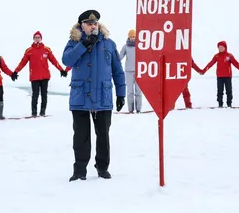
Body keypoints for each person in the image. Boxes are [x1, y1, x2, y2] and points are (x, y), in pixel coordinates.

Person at [62, 10, 126, 182]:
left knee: (103, 134)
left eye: (95, 23)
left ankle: (102, 167)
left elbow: (118, 71)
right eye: (89, 23)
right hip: (80, 97)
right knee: (81, 136)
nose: (93, 26)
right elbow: (67, 61)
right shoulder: (74, 42)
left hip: (102, 97)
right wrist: (83, 44)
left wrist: (121, 94)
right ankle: (79, 171)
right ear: (82, 26)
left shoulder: (109, 44)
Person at [12, 31, 69, 117]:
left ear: (41, 38)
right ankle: (34, 113)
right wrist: (16, 71)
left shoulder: (46, 50)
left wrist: (61, 70)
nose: (37, 39)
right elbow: (23, 62)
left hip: (45, 76)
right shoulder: (29, 51)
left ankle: (42, 112)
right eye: (36, 37)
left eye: (38, 37)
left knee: (44, 95)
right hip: (34, 77)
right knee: (35, 95)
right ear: (33, 39)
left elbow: (54, 61)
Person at [202, 41, 239, 107]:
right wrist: (203, 71)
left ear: (225, 47)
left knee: (229, 90)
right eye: (219, 47)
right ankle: (220, 103)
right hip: (219, 76)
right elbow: (210, 64)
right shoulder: (216, 56)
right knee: (220, 90)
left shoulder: (229, 55)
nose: (220, 48)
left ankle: (229, 103)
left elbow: (235, 63)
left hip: (228, 76)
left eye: (222, 47)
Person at [119, 29, 142, 113]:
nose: (132, 38)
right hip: (129, 71)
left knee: (138, 91)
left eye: (134, 36)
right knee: (130, 91)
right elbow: (120, 56)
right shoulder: (125, 46)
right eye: (131, 36)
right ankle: (130, 109)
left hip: (138, 71)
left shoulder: (140, 46)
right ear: (128, 37)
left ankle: (138, 109)